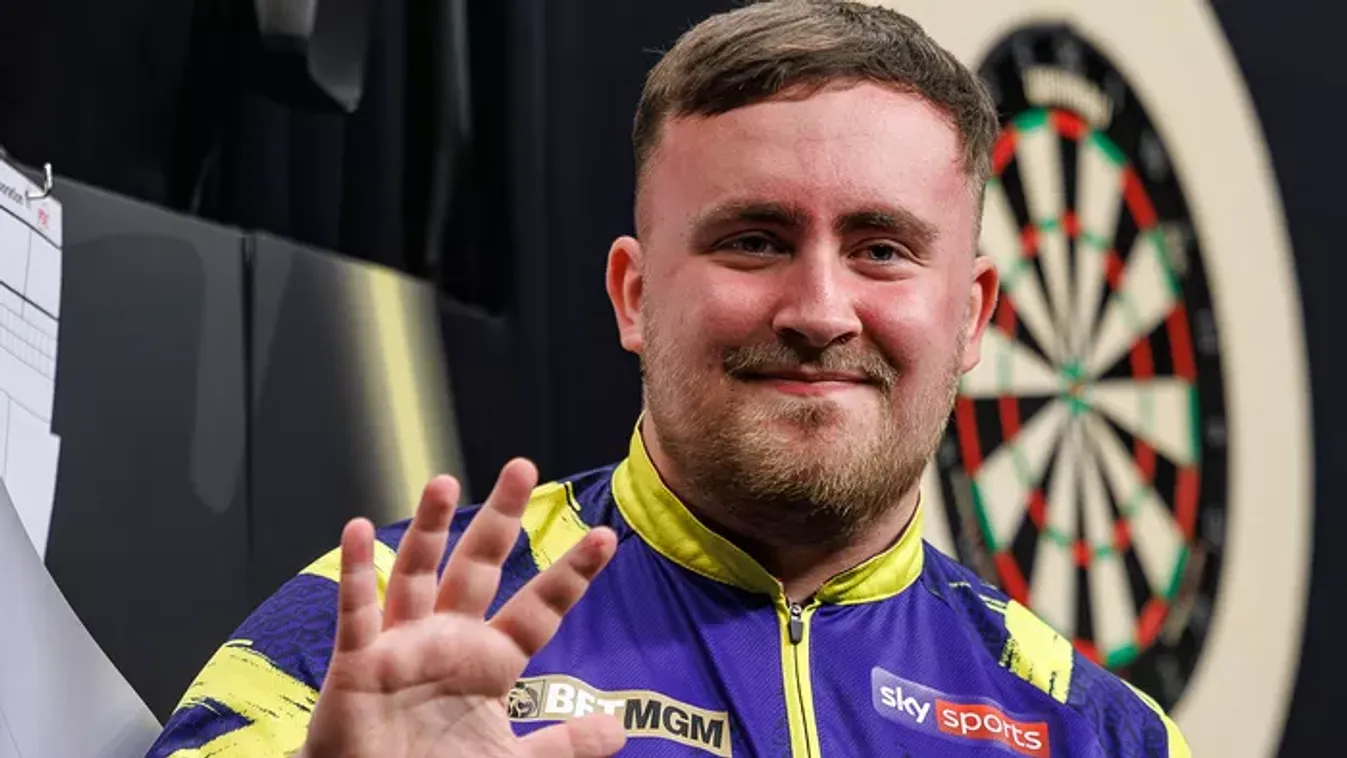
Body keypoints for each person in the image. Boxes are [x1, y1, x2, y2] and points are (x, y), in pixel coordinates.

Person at [147, 1, 1190, 756]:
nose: (819, 309)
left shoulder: (1094, 728)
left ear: (970, 316)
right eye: (753, 240)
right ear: (634, 295)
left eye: (881, 250)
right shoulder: (377, 629)